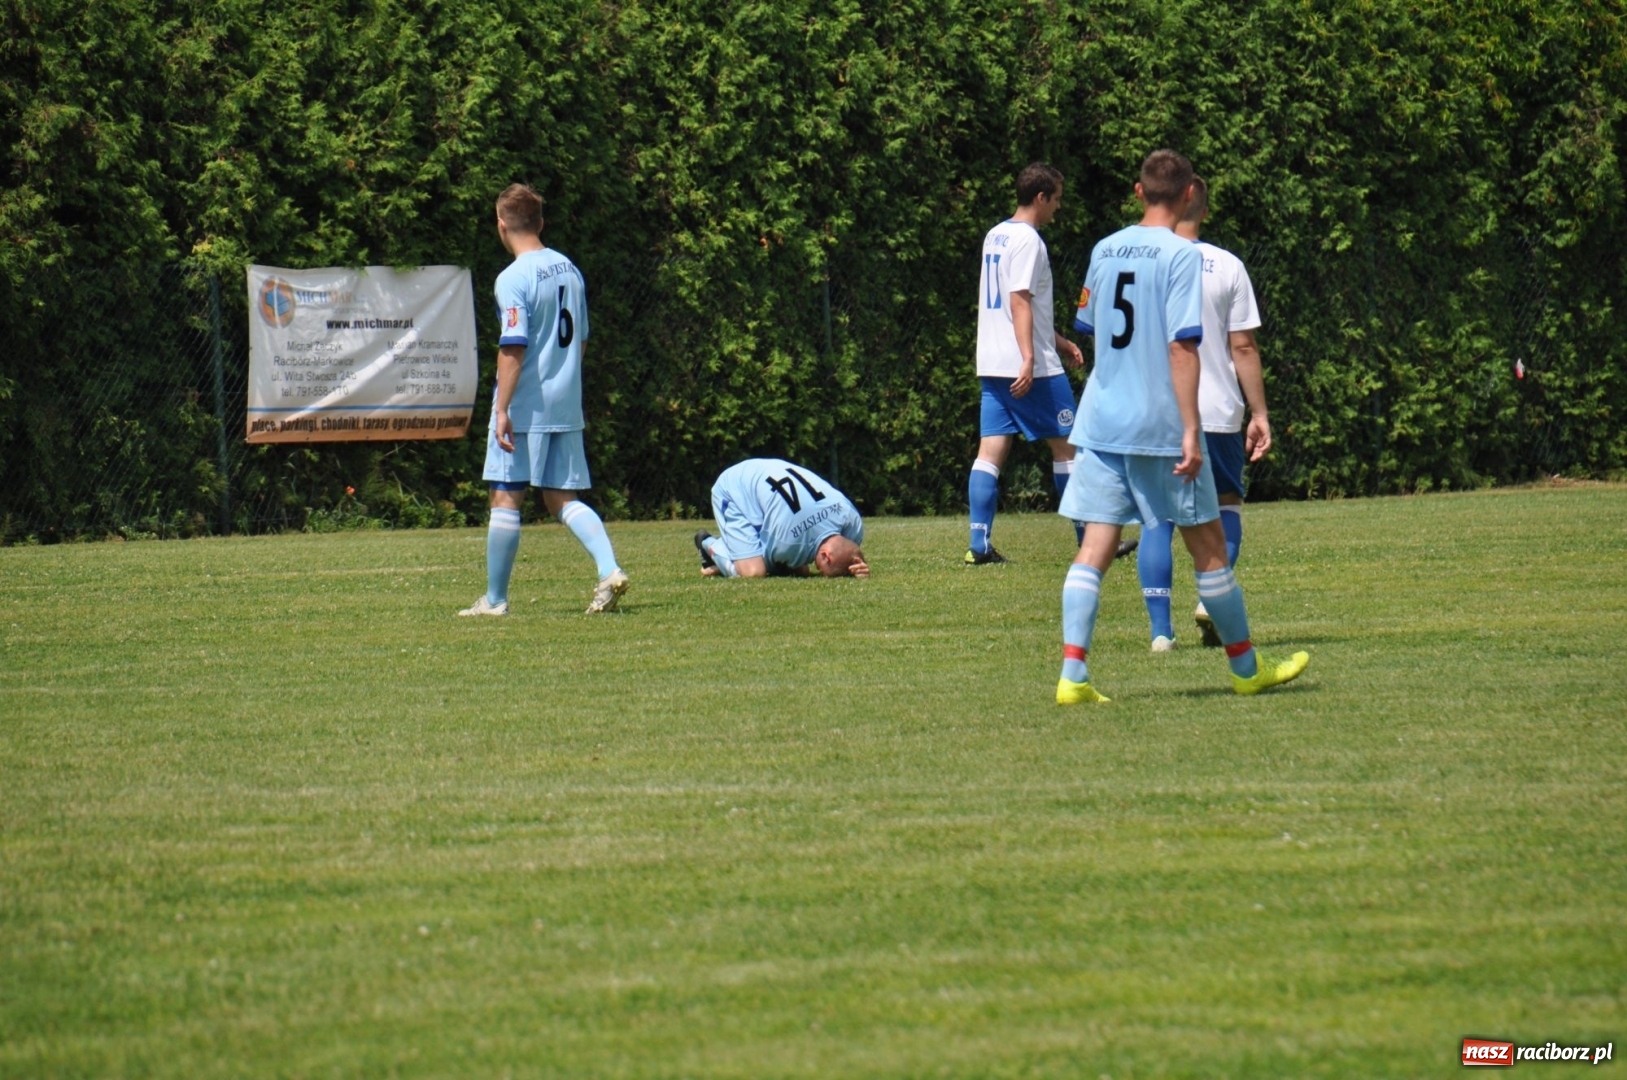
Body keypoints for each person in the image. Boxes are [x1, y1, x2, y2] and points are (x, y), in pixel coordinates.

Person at [1054, 150, 1307, 703]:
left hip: (1101, 419)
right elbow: (1181, 345)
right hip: (1159, 425)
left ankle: (1073, 677)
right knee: (1210, 547)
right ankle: (1246, 671)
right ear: (1190, 193)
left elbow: (1091, 329)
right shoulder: (1182, 256)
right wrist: (1190, 428)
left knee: (1095, 544)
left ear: (1138, 192)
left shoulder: (1104, 248)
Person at [459, 183, 629, 617]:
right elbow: (583, 339)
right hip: (565, 403)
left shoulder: (512, 278)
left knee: (505, 496)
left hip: (525, 407)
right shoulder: (570, 269)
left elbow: (512, 346)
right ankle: (609, 569)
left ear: (501, 224)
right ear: (540, 222)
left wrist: (501, 409)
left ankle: (495, 601)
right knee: (562, 499)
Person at [1136, 176, 1273, 651]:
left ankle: (1160, 632)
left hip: (1156, 411)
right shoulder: (1227, 265)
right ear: (1203, 209)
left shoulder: (1141, 258)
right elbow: (1243, 346)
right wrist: (1259, 413)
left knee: (1157, 519)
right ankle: (1208, 600)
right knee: (1227, 506)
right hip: (1215, 413)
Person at [965, 162, 1087, 564]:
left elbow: (1016, 306)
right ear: (1041, 197)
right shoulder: (1029, 241)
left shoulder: (995, 235)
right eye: (1056, 200)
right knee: (1069, 447)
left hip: (992, 360)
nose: (1057, 209)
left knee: (990, 451)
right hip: (1028, 366)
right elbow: (1019, 299)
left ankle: (978, 544)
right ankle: (1089, 541)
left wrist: (1059, 340)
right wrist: (1031, 356)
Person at [695, 458, 868, 579]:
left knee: (797, 568)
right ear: (826, 556)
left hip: (768, 470)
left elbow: (847, 551)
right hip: (734, 487)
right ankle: (709, 544)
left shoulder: (853, 522)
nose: (817, 569)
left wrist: (857, 565)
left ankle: (729, 557)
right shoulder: (789, 543)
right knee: (754, 572)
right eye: (821, 570)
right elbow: (777, 564)